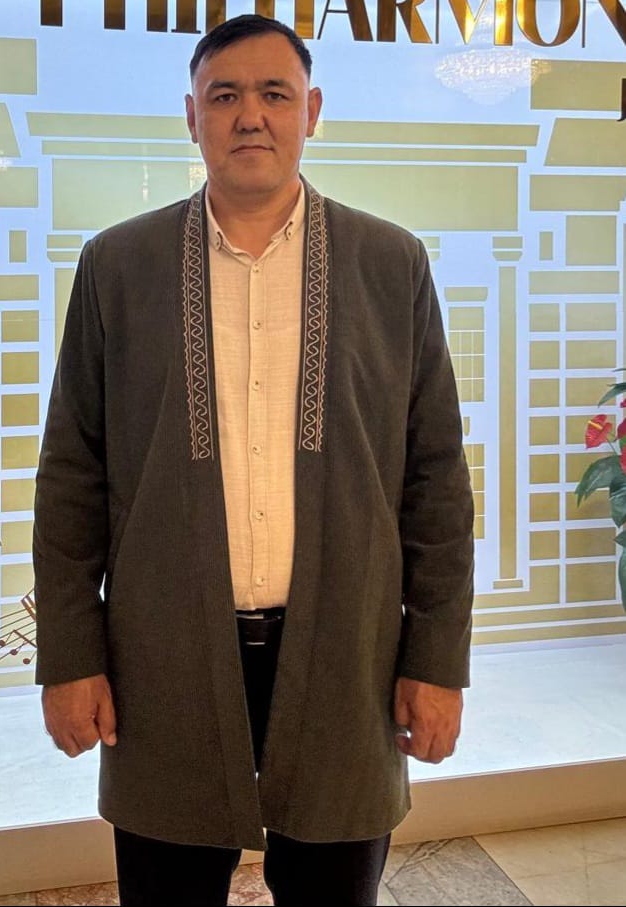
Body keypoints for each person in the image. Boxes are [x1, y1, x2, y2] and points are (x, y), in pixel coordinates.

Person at [33, 13, 475, 907]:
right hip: (163, 655)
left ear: (311, 111)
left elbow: (434, 479)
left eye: (274, 93)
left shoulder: (390, 263)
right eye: (224, 95)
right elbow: (72, 474)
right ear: (189, 115)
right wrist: (69, 657)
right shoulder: (118, 265)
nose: (249, 115)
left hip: (347, 654)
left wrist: (436, 661)